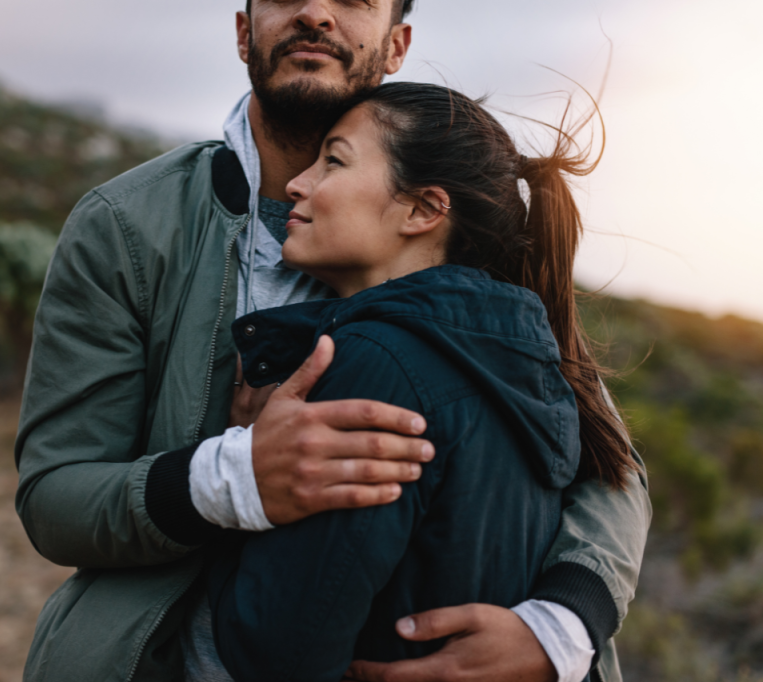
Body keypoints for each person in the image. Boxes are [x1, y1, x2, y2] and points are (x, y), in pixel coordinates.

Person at [14, 2, 651, 682]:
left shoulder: (460, 228)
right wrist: (229, 478)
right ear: (242, 30)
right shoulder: (127, 228)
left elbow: (609, 462)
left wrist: (561, 625)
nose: (316, 12)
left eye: (353, 0)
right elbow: (55, 496)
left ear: (397, 42)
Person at [206, 81, 636, 682]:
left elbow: (276, 648)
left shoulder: (375, 363)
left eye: (333, 160)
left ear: (423, 210)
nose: (298, 183)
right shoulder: (523, 361)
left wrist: (243, 476)